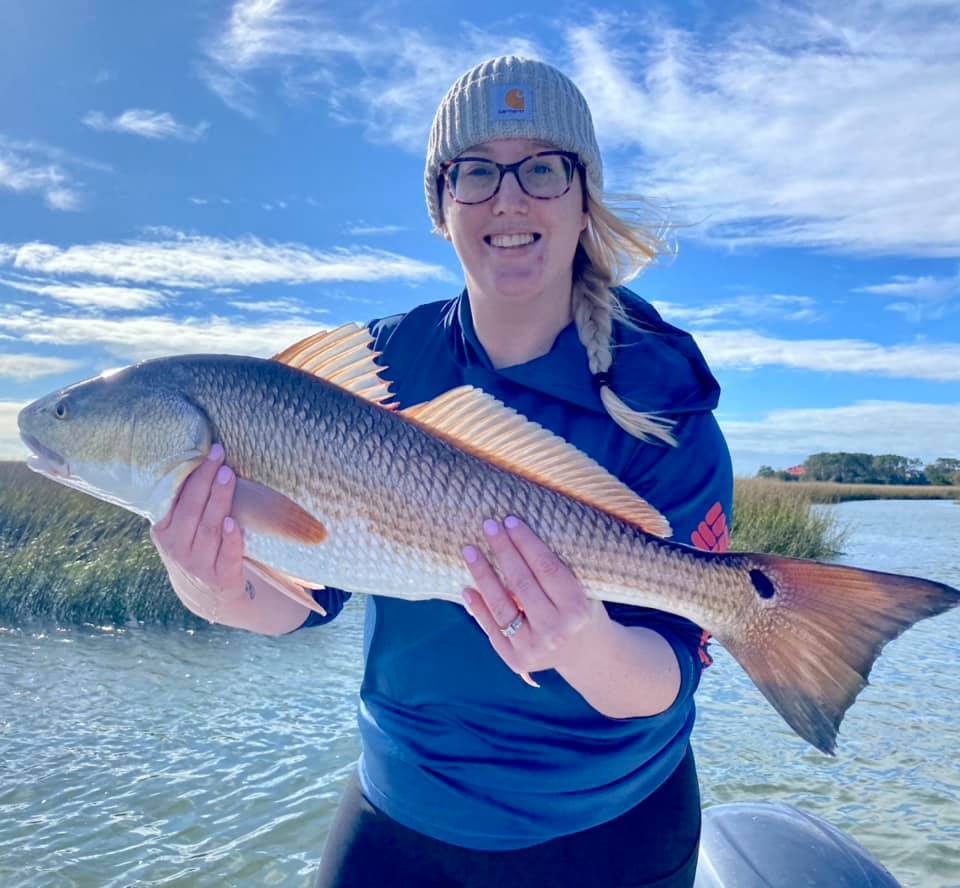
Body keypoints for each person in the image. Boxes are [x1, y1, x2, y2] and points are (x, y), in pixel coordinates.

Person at [151, 56, 733, 888]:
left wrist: (583, 640)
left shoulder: (661, 394)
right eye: (475, 172)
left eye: (542, 167)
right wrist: (212, 586)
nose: (509, 197)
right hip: (405, 812)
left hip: (614, 828)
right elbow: (312, 596)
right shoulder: (375, 367)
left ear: (582, 197)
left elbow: (668, 678)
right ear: (442, 205)